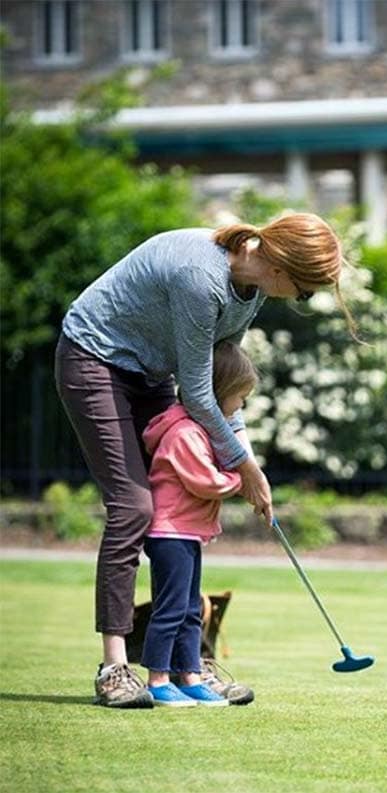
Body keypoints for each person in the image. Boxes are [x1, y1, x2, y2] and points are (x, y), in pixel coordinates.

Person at [54, 212, 355, 708]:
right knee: (134, 508)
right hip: (95, 358)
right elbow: (196, 394)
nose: (299, 301)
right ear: (281, 268)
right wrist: (245, 468)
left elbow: (222, 386)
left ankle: (184, 666)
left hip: (148, 372)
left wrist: (247, 460)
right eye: (304, 292)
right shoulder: (202, 278)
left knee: (177, 512)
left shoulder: (251, 292)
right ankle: (115, 668)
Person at [140, 342, 257, 707]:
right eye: (240, 397)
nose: (241, 406)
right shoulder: (185, 434)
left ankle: (189, 675)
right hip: (169, 531)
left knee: (191, 609)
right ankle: (158, 680)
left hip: (186, 531)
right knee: (171, 608)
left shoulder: (198, 431)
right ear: (218, 392)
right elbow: (204, 481)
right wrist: (241, 479)